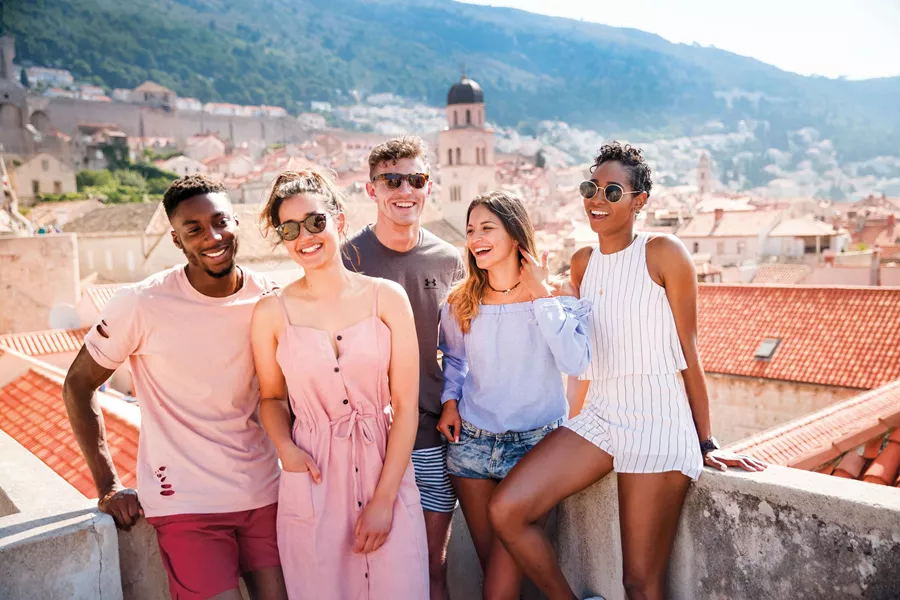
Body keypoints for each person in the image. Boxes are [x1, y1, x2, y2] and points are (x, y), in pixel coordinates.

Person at [488, 142, 767, 600]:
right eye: (591, 188)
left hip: (658, 420)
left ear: (640, 201)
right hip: (601, 416)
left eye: (612, 191)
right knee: (507, 510)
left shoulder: (664, 253)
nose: (597, 200)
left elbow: (690, 351)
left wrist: (705, 442)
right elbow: (581, 354)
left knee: (639, 582)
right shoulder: (583, 262)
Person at [63, 175, 286, 600]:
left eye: (220, 222)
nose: (212, 237)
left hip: (265, 492)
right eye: (194, 229)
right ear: (176, 239)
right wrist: (107, 485)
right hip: (186, 503)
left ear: (236, 222)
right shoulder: (142, 303)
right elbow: (77, 384)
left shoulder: (270, 297)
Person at [251, 169, 428, 600]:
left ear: (339, 220)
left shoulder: (387, 298)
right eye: (289, 229)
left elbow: (406, 405)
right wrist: (286, 449)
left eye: (315, 222)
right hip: (313, 480)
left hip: (386, 472)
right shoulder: (271, 313)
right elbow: (271, 399)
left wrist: (384, 500)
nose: (304, 237)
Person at [436, 190, 591, 599]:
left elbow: (576, 362)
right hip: (470, 445)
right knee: (496, 571)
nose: (476, 238)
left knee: (499, 586)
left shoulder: (554, 296)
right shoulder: (460, 301)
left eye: (487, 228)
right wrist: (450, 402)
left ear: (515, 233)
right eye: (471, 230)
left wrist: (541, 295)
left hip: (535, 449)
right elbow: (455, 360)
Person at [343, 135, 464, 600]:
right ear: (371, 189)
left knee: (432, 567)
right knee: (371, 570)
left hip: (430, 435)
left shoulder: (448, 259)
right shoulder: (348, 259)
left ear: (428, 186)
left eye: (415, 179)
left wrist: (452, 402)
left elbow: (460, 347)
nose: (404, 190)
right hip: (369, 438)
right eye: (391, 180)